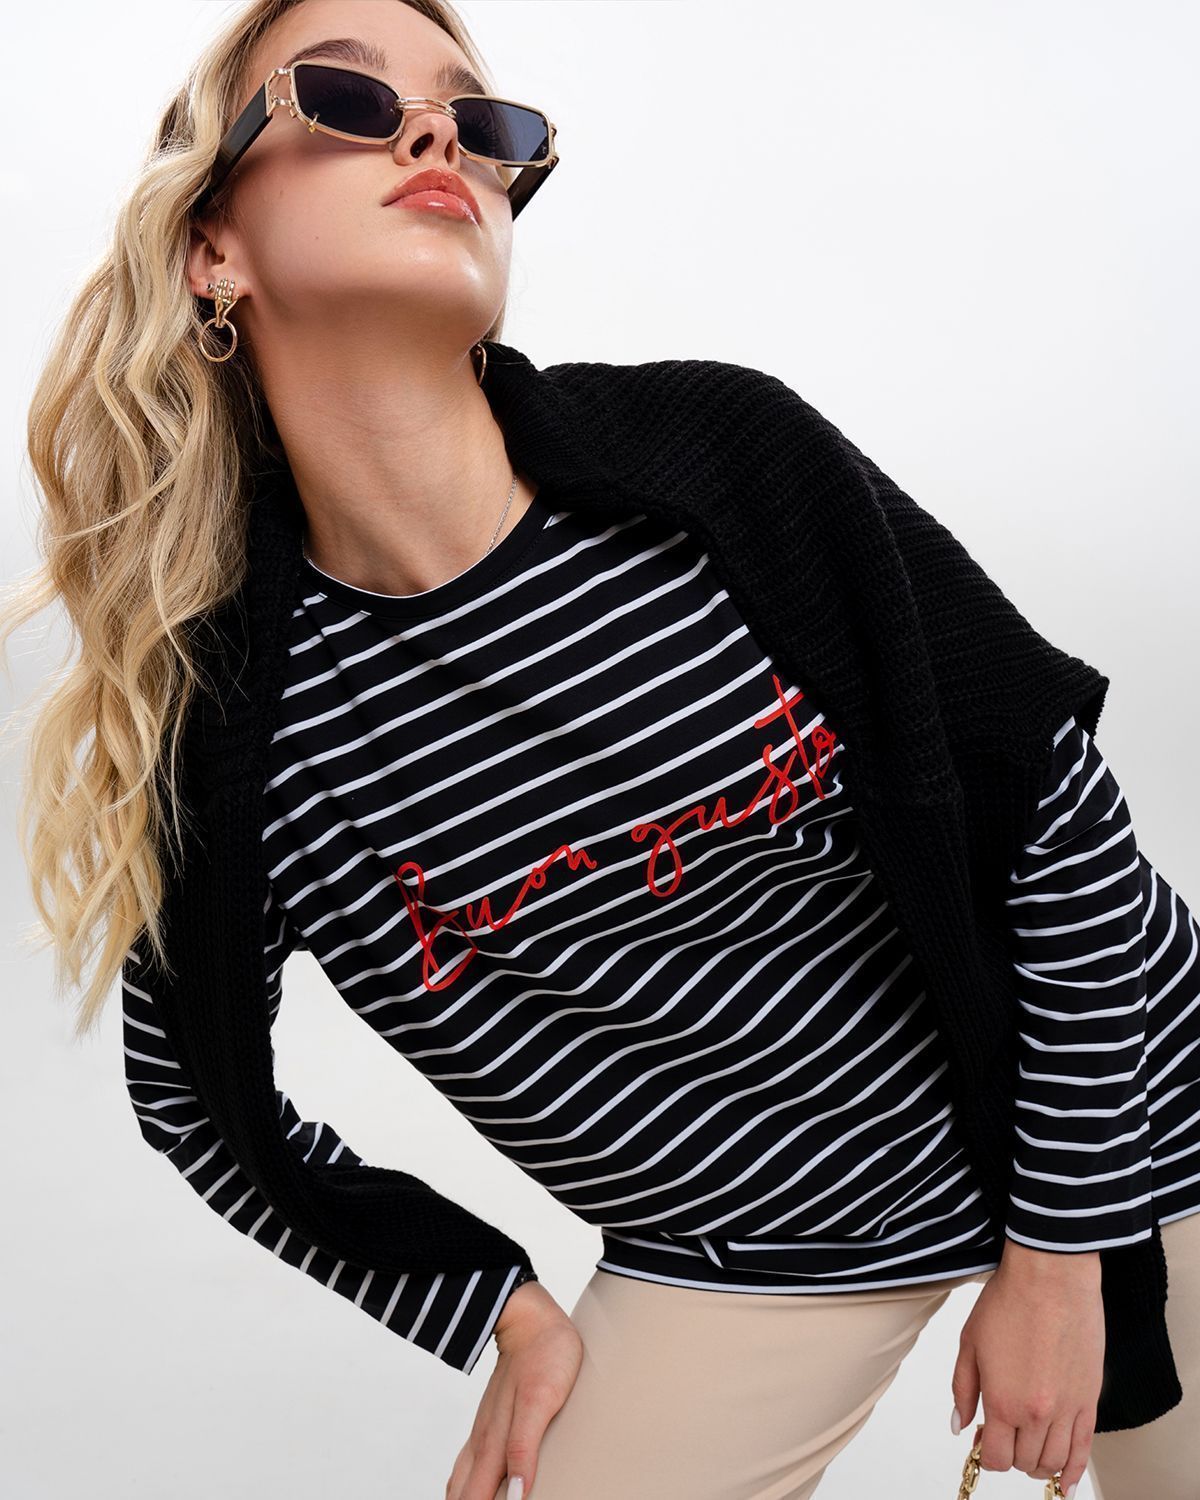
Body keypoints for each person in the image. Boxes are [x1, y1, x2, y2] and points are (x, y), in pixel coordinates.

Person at [6, 2, 1198, 1498]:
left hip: (1116, 1107)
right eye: (346, 101)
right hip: (757, 1247)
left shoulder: (720, 460)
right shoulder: (246, 739)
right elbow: (198, 1100)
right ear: (213, 250)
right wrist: (489, 1301)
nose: (436, 135)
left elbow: (1059, 819)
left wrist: (1064, 1251)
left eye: (477, 119)